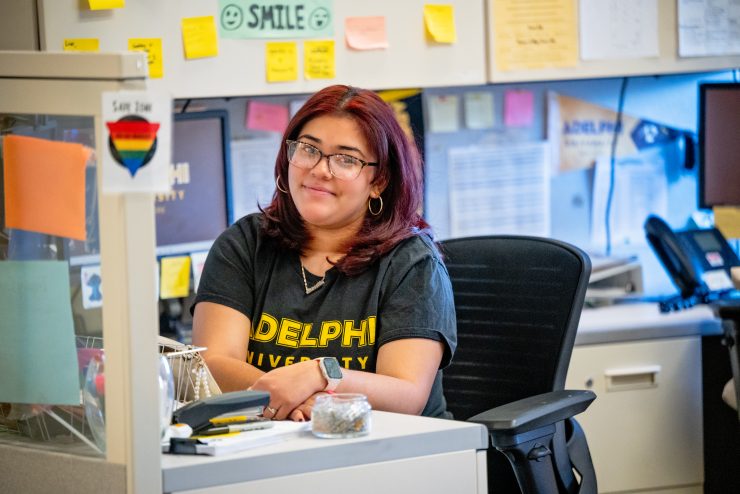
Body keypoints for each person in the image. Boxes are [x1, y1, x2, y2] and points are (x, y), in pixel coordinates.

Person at [191, 85, 456, 421]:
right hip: (274, 442)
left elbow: (406, 395)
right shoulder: (243, 244)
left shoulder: (412, 263)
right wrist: (290, 400)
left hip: (390, 454)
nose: (319, 170)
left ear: (379, 180)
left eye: (346, 159)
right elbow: (213, 364)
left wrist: (319, 375)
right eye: (309, 149)